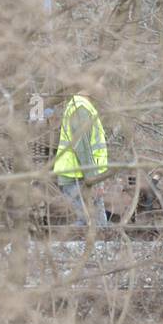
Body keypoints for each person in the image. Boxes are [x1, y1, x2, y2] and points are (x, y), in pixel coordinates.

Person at [53, 90, 109, 227]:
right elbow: (82, 148)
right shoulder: (80, 110)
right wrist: (94, 181)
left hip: (81, 177)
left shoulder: (82, 108)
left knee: (92, 225)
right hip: (79, 178)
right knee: (93, 226)